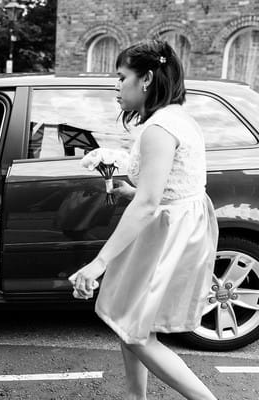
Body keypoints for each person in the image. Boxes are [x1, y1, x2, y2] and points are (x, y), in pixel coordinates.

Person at [69, 40, 218, 400]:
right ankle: (137, 398)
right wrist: (131, 193)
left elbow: (150, 203)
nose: (116, 86)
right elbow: (172, 189)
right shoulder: (176, 118)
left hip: (168, 235)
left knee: (135, 331)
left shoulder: (159, 128)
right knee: (129, 324)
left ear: (147, 78)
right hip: (181, 226)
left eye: (122, 78)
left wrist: (98, 263)